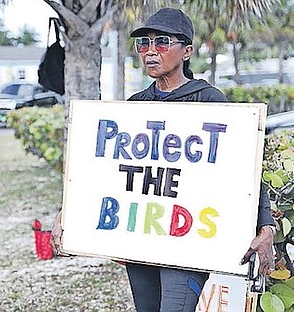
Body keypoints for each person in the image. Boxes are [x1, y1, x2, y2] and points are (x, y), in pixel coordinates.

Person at [51, 7, 276, 312]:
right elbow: (105, 173)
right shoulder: (135, 106)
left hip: (191, 242)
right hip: (142, 240)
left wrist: (266, 226)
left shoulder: (210, 101)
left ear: (187, 51)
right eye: (144, 44)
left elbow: (244, 171)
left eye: (162, 42)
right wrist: (69, 213)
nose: (150, 51)